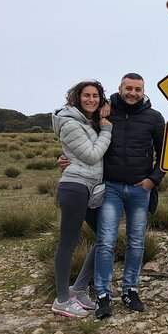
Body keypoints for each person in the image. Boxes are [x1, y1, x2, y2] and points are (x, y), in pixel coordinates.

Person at [68, 73, 165, 319]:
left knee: (136, 242)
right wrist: (65, 158)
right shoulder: (105, 112)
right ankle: (103, 294)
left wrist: (152, 181)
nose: (133, 93)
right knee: (106, 241)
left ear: (144, 91)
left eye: (138, 89)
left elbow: (164, 154)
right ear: (120, 89)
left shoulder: (154, 118)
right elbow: (84, 140)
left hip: (139, 190)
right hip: (110, 187)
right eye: (128, 88)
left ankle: (130, 290)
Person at [51, 80, 112, 318]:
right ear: (77, 98)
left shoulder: (88, 121)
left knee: (105, 238)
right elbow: (91, 154)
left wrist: (106, 108)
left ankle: (79, 288)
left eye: (96, 96)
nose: (91, 100)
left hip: (91, 187)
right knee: (68, 243)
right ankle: (62, 300)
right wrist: (106, 130)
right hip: (75, 186)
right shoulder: (70, 122)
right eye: (87, 95)